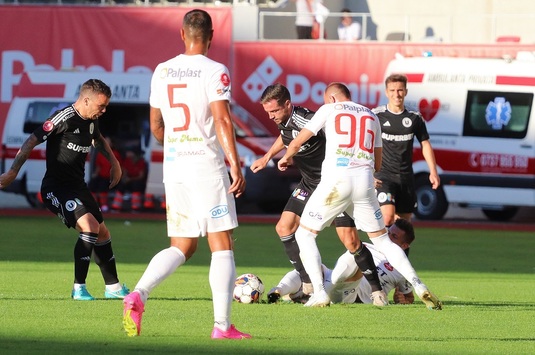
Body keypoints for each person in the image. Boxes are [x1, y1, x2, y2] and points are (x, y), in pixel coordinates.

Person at [122, 9, 250, 340]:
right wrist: (234, 163)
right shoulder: (215, 70)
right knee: (221, 244)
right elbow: (222, 121)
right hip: (205, 166)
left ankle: (138, 293)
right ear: (210, 38)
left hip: (175, 167)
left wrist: (178, 141)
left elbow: (156, 127)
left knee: (182, 245)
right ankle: (222, 326)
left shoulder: (162, 71)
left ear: (182, 34)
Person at [278, 82, 442, 310]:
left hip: (336, 181)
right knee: (383, 240)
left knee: (305, 235)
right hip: (365, 182)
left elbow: (299, 140)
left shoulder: (329, 110)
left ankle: (319, 292)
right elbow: (377, 162)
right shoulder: (370, 115)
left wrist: (286, 157)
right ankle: (418, 284)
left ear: (332, 99)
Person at [251, 83, 387, 307]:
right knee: (284, 227)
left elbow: (345, 138)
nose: (270, 117)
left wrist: (363, 170)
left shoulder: (307, 118)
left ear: (288, 104)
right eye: (267, 112)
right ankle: (308, 283)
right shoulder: (283, 120)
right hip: (309, 183)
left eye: (274, 111)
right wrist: (267, 157)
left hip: (333, 184)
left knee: (351, 241)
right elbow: (286, 136)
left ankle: (376, 289)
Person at [0, 79, 129, 301]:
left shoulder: (90, 120)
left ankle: (113, 287)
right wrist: (13, 171)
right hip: (56, 189)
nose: (104, 110)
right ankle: (78, 288)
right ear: (86, 100)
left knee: (103, 232)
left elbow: (99, 140)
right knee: (89, 227)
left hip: (79, 187)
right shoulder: (63, 118)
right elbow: (31, 140)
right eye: (101, 105)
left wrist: (115, 163)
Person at [272, 219, 417, 305]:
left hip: (355, 294)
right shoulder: (369, 245)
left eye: (394, 236)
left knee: (358, 254)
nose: (387, 237)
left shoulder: (401, 268)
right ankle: (277, 291)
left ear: (404, 246)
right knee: (310, 269)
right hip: (335, 278)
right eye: (388, 232)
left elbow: (409, 296)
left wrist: (402, 300)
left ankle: (314, 293)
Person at [372, 74, 440, 227]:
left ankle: (400, 251)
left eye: (400, 90)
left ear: (406, 91)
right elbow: (364, 143)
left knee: (403, 224)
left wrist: (433, 171)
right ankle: (381, 250)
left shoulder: (414, 117)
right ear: (386, 92)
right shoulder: (377, 115)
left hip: (406, 177)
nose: (397, 94)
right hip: (384, 176)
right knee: (387, 217)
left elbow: (425, 144)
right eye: (393, 90)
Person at [89, 136, 121, 212]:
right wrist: (95, 175)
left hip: (109, 177)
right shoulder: (100, 154)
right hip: (101, 176)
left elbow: (118, 167)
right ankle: (94, 205)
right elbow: (98, 166)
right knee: (91, 185)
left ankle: (104, 205)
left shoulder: (115, 154)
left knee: (102, 188)